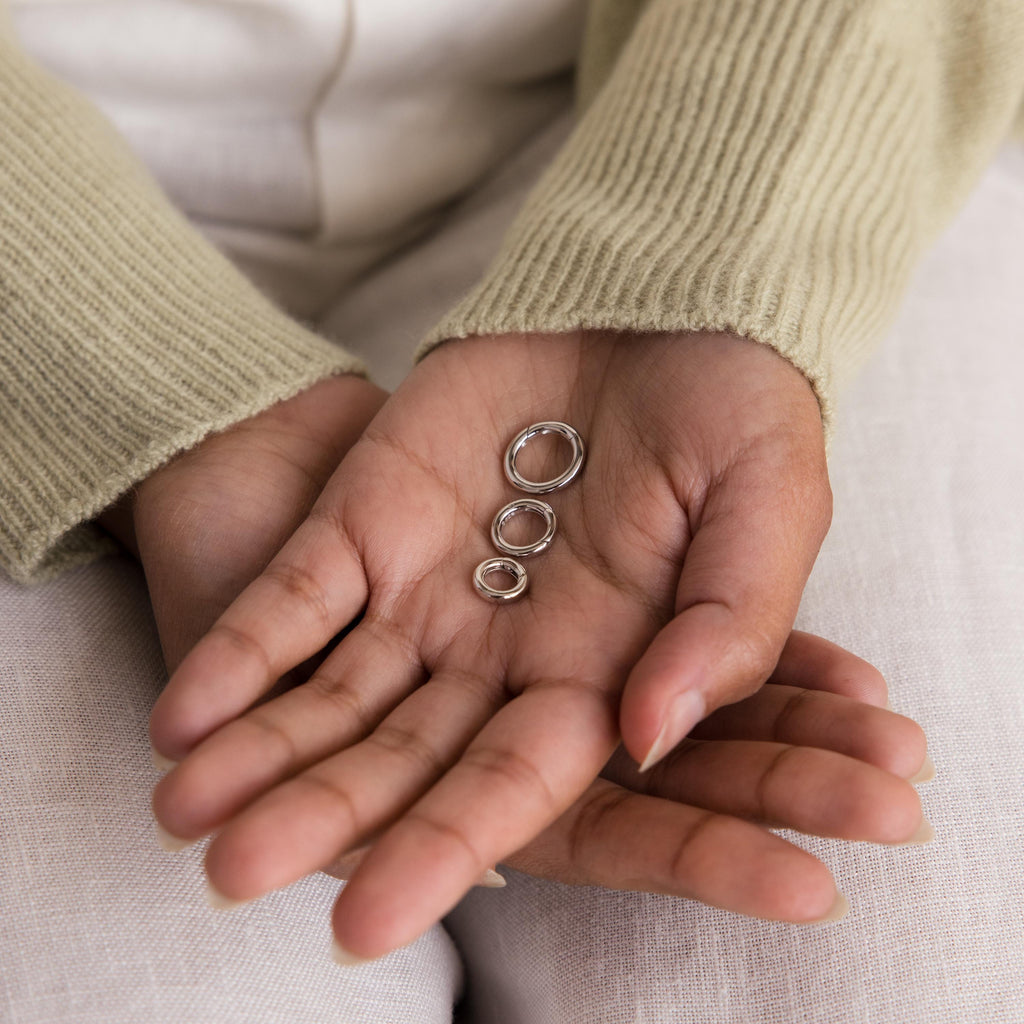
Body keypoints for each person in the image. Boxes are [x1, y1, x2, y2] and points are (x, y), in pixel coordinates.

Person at [2, 0, 1022, 1020]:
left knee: (905, 955)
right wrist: (135, 376)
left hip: (668, 113)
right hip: (37, 231)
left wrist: (715, 235)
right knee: (180, 992)